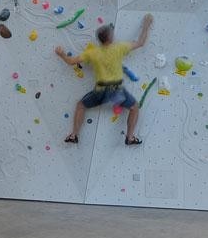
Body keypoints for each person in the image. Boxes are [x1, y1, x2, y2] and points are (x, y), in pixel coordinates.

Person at [55, 14, 153, 146]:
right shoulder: (119, 48)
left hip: (100, 91)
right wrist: (146, 25)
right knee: (134, 108)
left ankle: (74, 135)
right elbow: (140, 42)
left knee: (80, 106)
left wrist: (61, 54)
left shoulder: (92, 53)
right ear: (110, 38)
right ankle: (130, 137)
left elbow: (71, 61)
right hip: (116, 91)